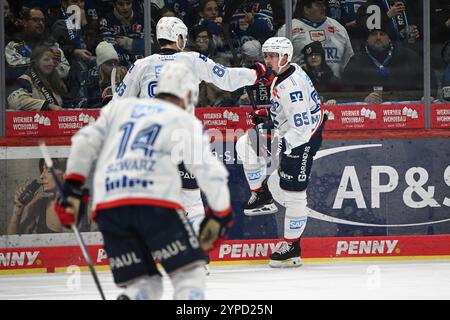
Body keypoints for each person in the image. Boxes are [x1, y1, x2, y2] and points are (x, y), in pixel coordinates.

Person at [54, 62, 234, 300]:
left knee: (145, 284)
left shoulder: (120, 109)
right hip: (155, 205)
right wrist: (221, 214)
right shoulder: (182, 120)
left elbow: (83, 142)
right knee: (189, 275)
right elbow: (210, 172)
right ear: (189, 94)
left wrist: (72, 188)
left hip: (110, 209)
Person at [112, 16, 273, 236]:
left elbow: (117, 106)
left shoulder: (141, 65)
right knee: (192, 203)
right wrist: (256, 74)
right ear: (178, 37)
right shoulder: (192, 59)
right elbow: (226, 79)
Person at [235, 37, 326, 267]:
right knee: (245, 143)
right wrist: (269, 119)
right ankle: (263, 195)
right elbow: (287, 113)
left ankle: (291, 247)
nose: (268, 60)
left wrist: (282, 147)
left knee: (293, 193)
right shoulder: (286, 72)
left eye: (272, 55)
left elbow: (302, 128)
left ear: (285, 56)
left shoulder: (290, 85)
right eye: (266, 55)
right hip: (289, 132)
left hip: (303, 140)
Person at [342, 24, 435, 103]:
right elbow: (344, 91)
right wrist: (362, 99)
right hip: (369, 112)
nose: (378, 38)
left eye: (382, 34)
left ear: (389, 38)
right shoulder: (357, 60)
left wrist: (426, 96)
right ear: (367, 39)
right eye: (374, 34)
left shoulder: (408, 56)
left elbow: (429, 79)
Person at [276, 0, 354, 78]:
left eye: (323, 4)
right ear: (306, 9)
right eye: (318, 5)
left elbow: (348, 62)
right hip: (300, 85)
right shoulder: (288, 28)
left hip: (334, 87)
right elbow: (277, 62)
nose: (323, 8)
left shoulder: (338, 28)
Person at [7, 159, 66, 235]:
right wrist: (18, 207)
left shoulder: (85, 206)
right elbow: (13, 241)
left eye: (49, 171)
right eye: (42, 170)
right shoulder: (39, 205)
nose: (41, 176)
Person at [8, 46, 69, 111]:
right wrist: (47, 105)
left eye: (53, 59)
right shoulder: (25, 80)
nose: (51, 63)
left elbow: (67, 102)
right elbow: (15, 101)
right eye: (46, 60)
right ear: (36, 62)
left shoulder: (56, 81)